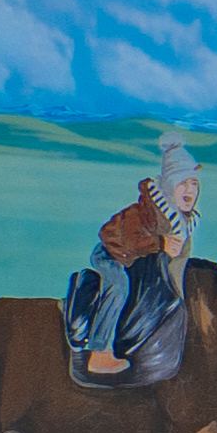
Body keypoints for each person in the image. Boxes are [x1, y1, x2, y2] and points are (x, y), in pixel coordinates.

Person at [63, 136, 199, 381]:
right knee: (118, 287)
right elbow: (119, 236)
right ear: (169, 186)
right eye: (183, 183)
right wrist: (159, 244)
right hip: (112, 255)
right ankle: (99, 352)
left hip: (135, 261)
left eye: (194, 184)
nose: (190, 190)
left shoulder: (181, 222)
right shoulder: (143, 212)